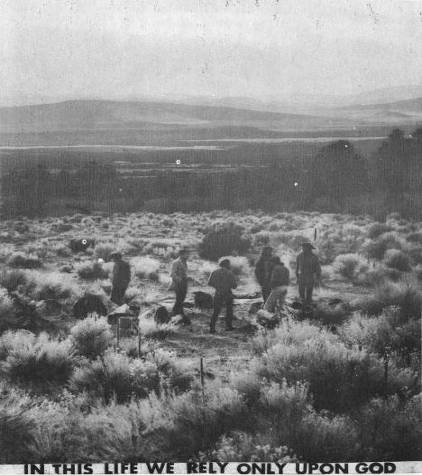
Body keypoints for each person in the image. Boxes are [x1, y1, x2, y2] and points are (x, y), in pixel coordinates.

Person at [208, 258, 237, 334]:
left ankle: (212, 327)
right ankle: (228, 326)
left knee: (216, 311)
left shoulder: (214, 272)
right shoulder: (230, 273)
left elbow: (209, 283)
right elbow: (234, 286)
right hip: (228, 293)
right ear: (227, 265)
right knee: (229, 310)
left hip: (218, 293)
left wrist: (217, 287)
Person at [170, 248, 190, 323]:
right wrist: (180, 279)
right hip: (178, 283)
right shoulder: (176, 262)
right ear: (181, 254)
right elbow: (172, 274)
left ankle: (178, 312)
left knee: (182, 298)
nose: (187, 255)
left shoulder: (184, 262)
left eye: (187, 254)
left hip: (184, 282)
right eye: (186, 254)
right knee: (179, 298)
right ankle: (177, 312)